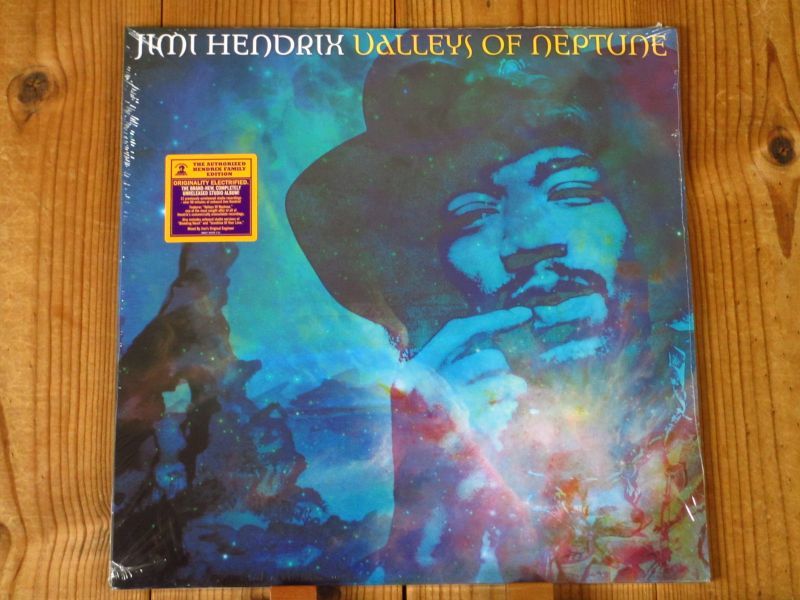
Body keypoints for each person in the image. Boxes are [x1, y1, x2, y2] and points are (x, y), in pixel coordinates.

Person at [286, 43, 708, 583]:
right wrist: (436, 503)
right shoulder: (405, 448)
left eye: (572, 191)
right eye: (474, 214)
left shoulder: (711, 398)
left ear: (638, 225)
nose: (526, 241)